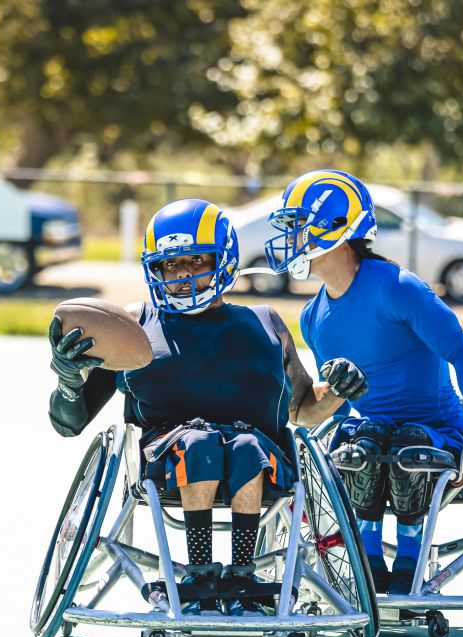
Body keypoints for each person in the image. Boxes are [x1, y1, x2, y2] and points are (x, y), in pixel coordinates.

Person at [47, 198, 367, 615]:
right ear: (154, 268)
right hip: (166, 455)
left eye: (196, 260)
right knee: (198, 443)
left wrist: (338, 388)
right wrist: (69, 383)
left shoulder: (266, 323)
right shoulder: (133, 326)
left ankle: (241, 574)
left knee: (247, 448)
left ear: (224, 259)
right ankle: (198, 572)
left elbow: (302, 409)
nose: (181, 274)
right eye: (170, 264)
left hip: (258, 456)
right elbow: (69, 424)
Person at [262, 169, 463, 596]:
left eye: (300, 226)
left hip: (435, 431)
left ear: (336, 228)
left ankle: (410, 558)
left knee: (404, 442)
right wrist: (334, 389)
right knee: (364, 442)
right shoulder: (312, 317)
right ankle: (371, 558)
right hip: (372, 435)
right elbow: (332, 404)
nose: (293, 238)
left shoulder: (398, 287)